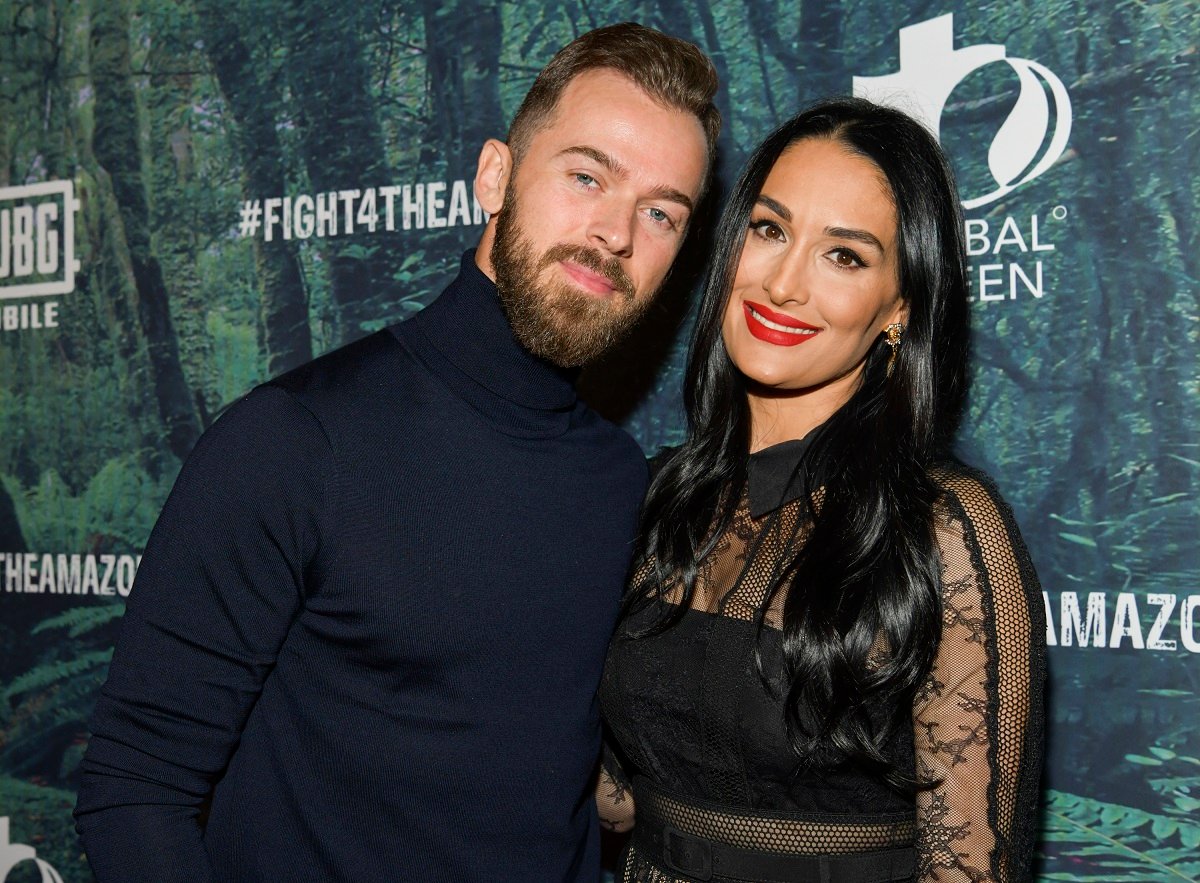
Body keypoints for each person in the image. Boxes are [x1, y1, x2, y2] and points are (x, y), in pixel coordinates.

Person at [73, 23, 720, 883]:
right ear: (495, 174)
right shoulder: (295, 443)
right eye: (586, 175)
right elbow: (133, 788)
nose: (614, 231)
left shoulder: (619, 486)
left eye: (661, 212)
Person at [596, 98, 1045, 883]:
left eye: (845, 256)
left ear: (900, 309)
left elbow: (970, 870)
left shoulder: (943, 528)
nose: (783, 282)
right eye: (769, 230)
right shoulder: (656, 499)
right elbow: (617, 796)